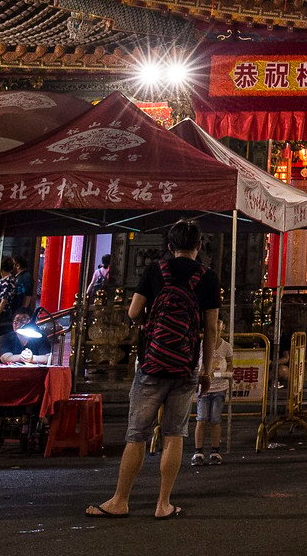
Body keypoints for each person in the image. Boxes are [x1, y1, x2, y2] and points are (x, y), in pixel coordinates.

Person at [87, 219, 221, 520]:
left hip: (152, 362)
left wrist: (151, 321)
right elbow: (211, 329)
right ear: (198, 246)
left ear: (169, 246)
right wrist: (206, 369)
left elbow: (134, 312)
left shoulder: (154, 271)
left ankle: (120, 500)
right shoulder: (208, 277)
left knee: (137, 434)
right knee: (174, 433)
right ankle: (163, 503)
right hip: (185, 365)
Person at [189, 335, 233, 465]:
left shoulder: (226, 346)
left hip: (219, 387)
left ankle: (215, 451)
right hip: (204, 387)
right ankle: (198, 452)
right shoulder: (201, 345)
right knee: (201, 419)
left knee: (215, 419)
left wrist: (227, 373)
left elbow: (230, 363)